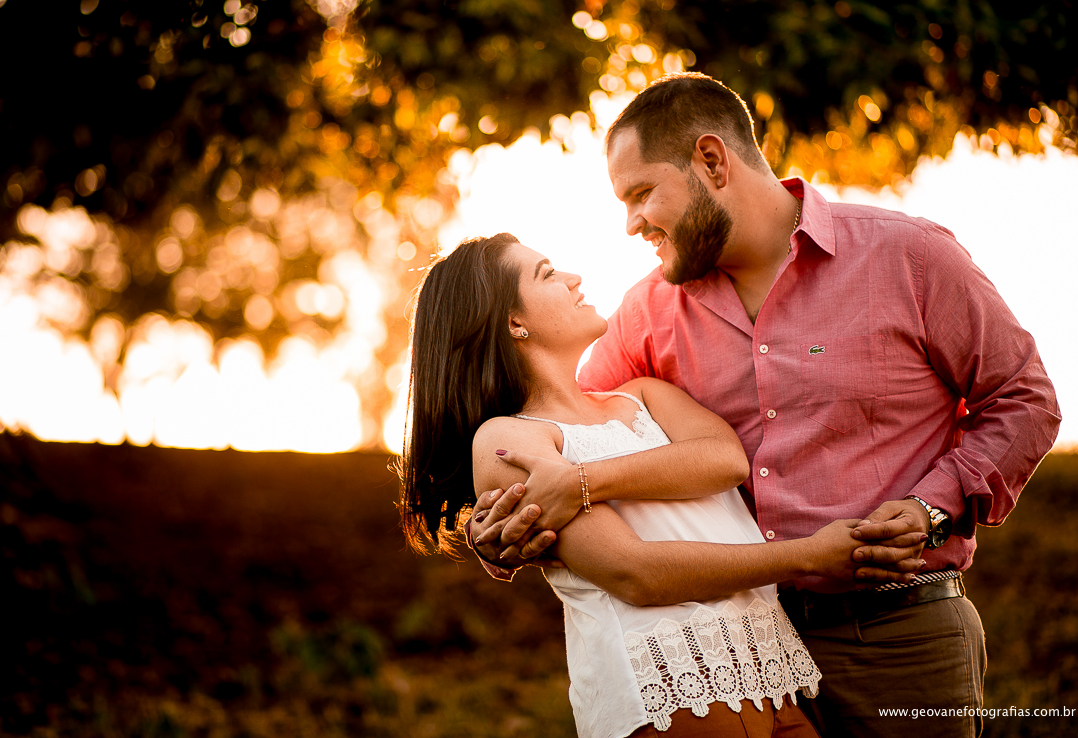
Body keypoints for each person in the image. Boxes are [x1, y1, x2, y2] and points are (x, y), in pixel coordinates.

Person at [469, 73, 1061, 737]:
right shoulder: (646, 314)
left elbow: (1024, 398)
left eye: (641, 194)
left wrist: (932, 508)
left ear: (712, 160)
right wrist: (496, 528)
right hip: (738, 657)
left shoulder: (910, 256)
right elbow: (563, 426)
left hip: (900, 636)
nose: (632, 223)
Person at [397, 233, 927, 738]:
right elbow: (636, 574)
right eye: (547, 274)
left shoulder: (643, 396)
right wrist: (809, 556)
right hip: (670, 687)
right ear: (514, 321)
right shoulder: (509, 439)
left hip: (769, 675)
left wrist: (582, 482)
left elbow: (726, 460)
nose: (573, 277)